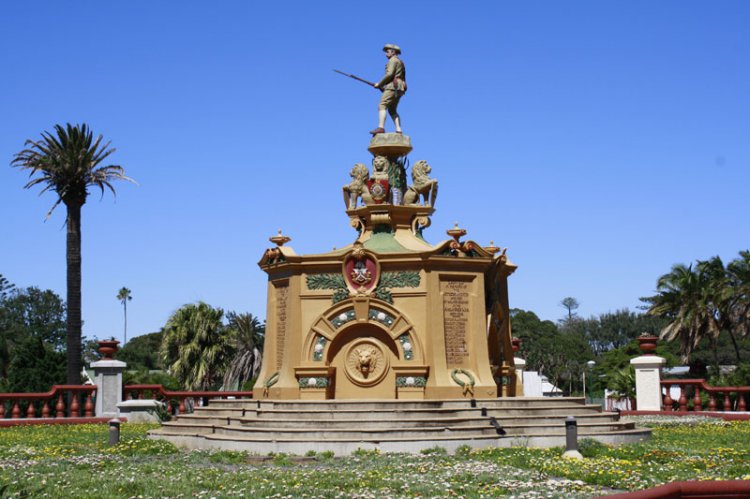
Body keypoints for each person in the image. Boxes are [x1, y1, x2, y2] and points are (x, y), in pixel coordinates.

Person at [370, 44, 407, 135]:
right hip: (399, 87)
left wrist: (379, 84)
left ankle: (381, 127)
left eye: (387, 51)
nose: (386, 54)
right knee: (392, 110)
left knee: (382, 105)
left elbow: (389, 74)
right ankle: (398, 129)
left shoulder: (393, 60)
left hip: (394, 85)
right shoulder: (400, 61)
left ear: (393, 52)